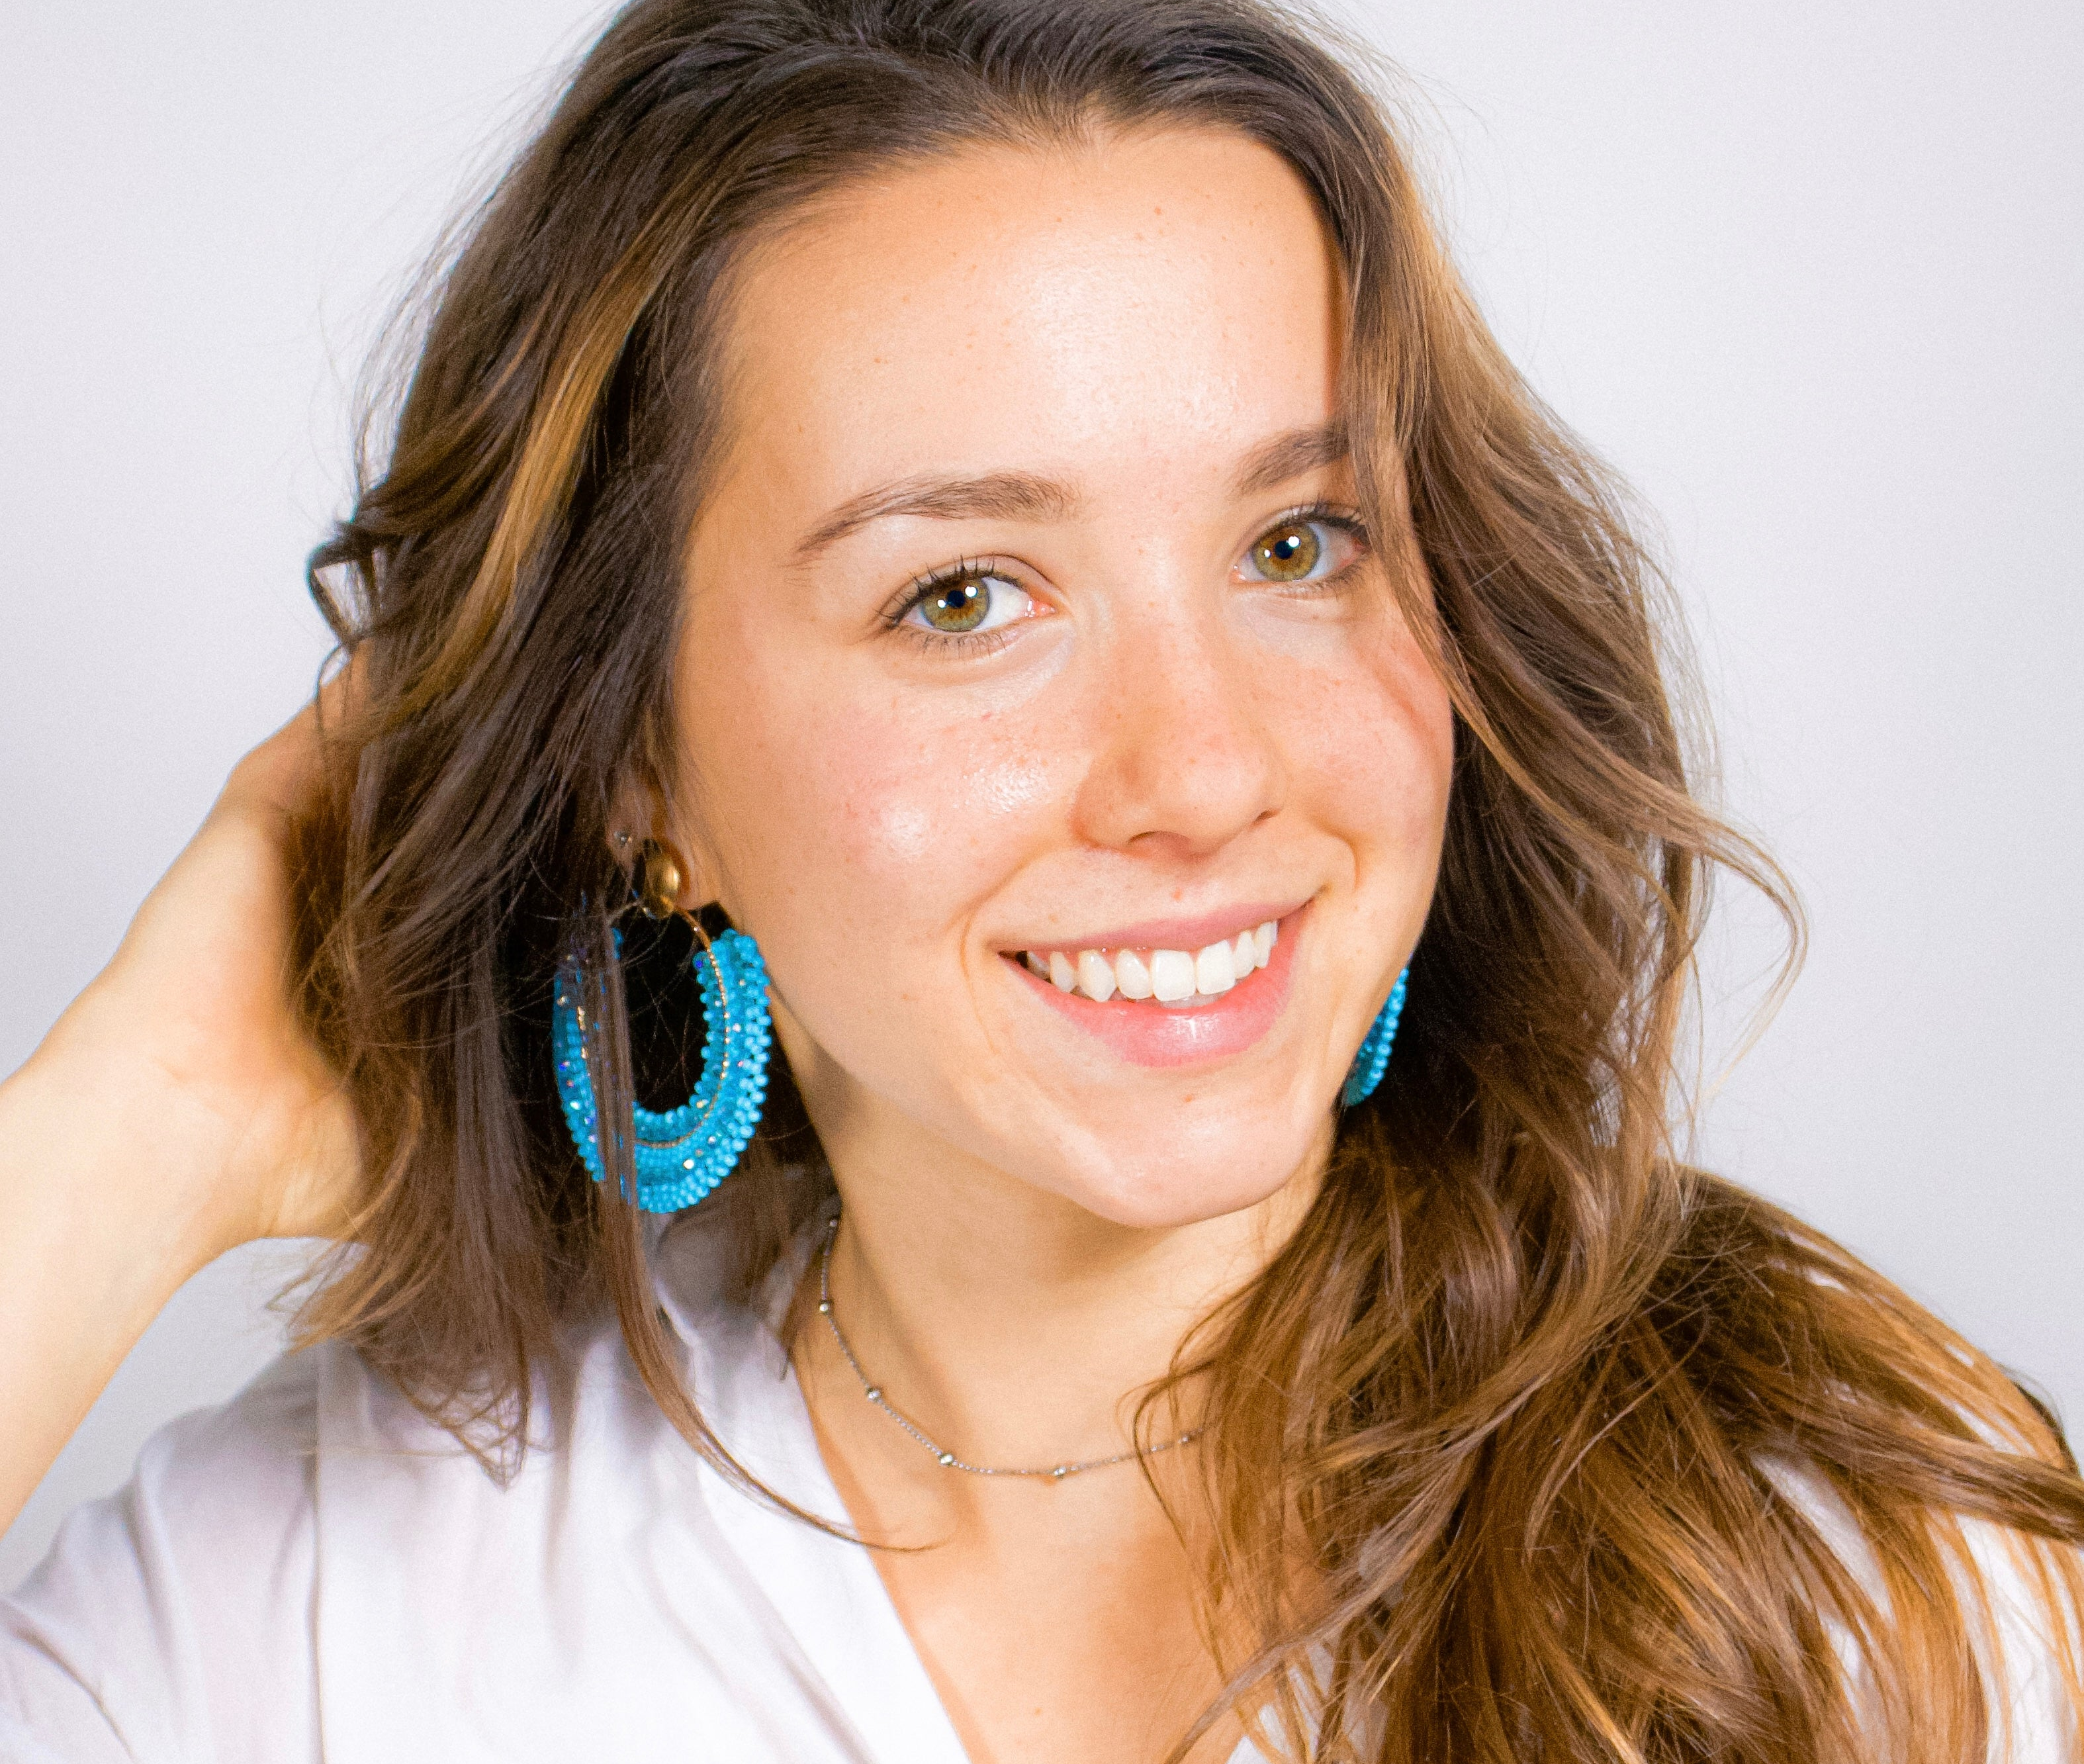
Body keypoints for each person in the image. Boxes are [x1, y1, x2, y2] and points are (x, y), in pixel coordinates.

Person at [1, 1, 2079, 1759]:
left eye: (1296, 545)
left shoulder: (1859, 1564)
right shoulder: (318, 1597)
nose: (1201, 771)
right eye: (966, 594)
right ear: (640, 760)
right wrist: (129, 1145)